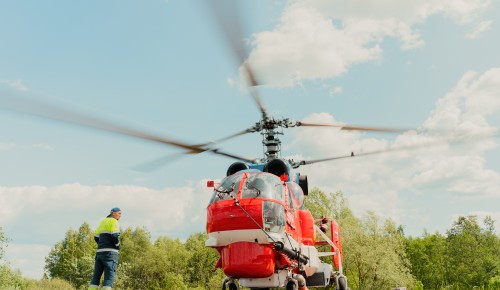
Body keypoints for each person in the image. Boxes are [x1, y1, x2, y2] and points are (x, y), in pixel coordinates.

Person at [88, 207, 122, 290]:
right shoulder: (114, 221)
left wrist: (102, 245)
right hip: (110, 254)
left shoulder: (103, 221)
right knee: (108, 278)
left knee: (95, 277)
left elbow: (96, 237)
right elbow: (114, 236)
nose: (120, 216)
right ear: (113, 213)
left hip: (99, 253)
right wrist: (118, 245)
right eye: (119, 213)